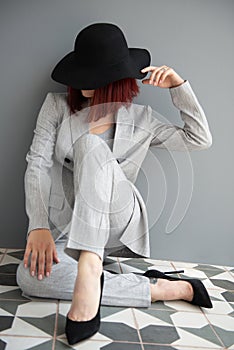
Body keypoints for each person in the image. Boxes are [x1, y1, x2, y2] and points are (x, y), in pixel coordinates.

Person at [16, 22, 213, 345]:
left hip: (117, 221)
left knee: (90, 146)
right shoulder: (55, 106)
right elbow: (36, 164)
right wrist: (37, 226)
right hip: (70, 226)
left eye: (90, 75)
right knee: (30, 279)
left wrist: (179, 86)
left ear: (114, 79)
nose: (81, 83)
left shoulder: (142, 118)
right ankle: (161, 287)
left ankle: (91, 268)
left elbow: (199, 138)